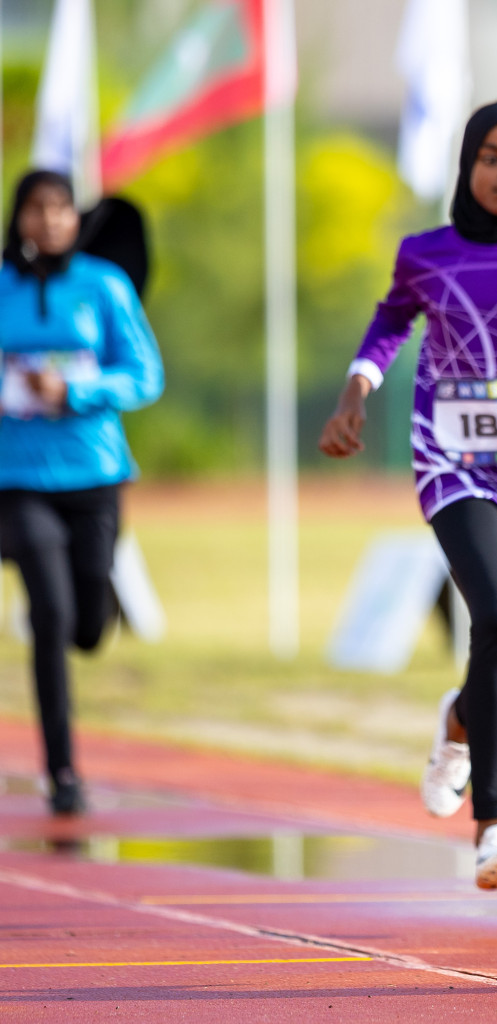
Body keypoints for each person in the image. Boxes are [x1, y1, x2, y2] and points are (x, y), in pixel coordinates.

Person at [319, 102, 497, 889]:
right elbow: (389, 324)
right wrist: (357, 389)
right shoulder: (426, 254)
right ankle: (495, 823)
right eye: (491, 156)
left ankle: (458, 722)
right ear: (467, 166)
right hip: (453, 459)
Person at [0, 169, 164, 817]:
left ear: (75, 217)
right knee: (51, 615)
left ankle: (83, 622)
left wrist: (78, 392)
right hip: (15, 481)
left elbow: (145, 375)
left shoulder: (104, 285)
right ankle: (62, 770)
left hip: (94, 473)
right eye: (35, 209)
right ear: (18, 219)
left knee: (88, 627)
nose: (48, 221)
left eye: (60, 208)